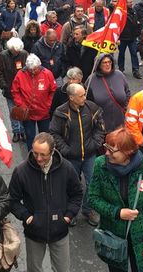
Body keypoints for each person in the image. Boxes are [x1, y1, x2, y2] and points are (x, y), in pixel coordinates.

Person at [89, 127, 143, 272]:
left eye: (111, 150)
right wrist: (117, 212)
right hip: (113, 235)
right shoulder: (101, 164)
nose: (106, 153)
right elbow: (93, 198)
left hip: (142, 237)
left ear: (127, 152)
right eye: (106, 147)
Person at [9, 133, 83, 272]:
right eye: (35, 153)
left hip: (60, 231)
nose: (38, 158)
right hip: (34, 232)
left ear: (53, 151)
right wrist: (27, 217)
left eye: (43, 154)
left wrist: (67, 216)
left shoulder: (66, 168)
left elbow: (77, 194)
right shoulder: (21, 171)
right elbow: (12, 200)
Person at [50, 83, 105, 226]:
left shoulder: (92, 108)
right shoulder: (61, 112)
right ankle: (71, 211)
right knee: (72, 186)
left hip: (89, 155)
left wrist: (94, 144)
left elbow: (100, 129)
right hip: (70, 158)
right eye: (81, 96)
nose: (84, 98)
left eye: (84, 94)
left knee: (93, 183)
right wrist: (65, 150)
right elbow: (54, 133)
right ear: (71, 97)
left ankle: (88, 210)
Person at [12, 54, 57, 150]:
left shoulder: (47, 74)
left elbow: (53, 91)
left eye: (35, 69)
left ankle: (45, 155)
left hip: (44, 112)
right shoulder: (20, 74)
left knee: (44, 137)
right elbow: (15, 91)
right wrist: (21, 105)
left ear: (39, 66)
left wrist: (48, 105)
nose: (33, 72)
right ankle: (31, 156)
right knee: (30, 136)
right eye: (30, 70)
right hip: (27, 113)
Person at [87, 54, 131, 132]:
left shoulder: (119, 75)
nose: (108, 64)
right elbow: (86, 101)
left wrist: (126, 106)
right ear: (98, 65)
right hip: (102, 125)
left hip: (121, 122)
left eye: (109, 62)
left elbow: (127, 92)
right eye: (104, 62)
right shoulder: (91, 80)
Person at [0, 37, 28, 143]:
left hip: (22, 89)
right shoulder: (2, 56)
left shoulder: (24, 54)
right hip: (9, 89)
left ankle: (23, 131)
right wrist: (4, 86)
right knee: (12, 111)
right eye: (14, 51)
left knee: (23, 111)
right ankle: (16, 131)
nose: (16, 53)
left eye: (18, 51)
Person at [118, 0, 141, 78]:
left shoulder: (134, 11)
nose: (132, 3)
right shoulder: (121, 12)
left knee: (134, 54)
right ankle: (121, 69)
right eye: (130, 2)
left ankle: (136, 70)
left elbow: (137, 22)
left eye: (132, 2)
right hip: (123, 38)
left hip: (132, 38)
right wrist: (118, 38)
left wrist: (137, 33)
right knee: (121, 54)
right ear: (125, 3)